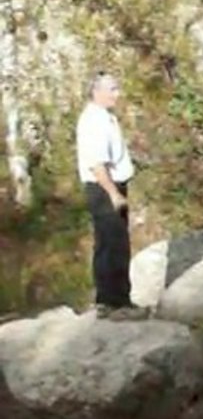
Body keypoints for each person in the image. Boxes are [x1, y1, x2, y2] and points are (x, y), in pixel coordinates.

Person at [75, 72, 146, 320]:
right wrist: (114, 194)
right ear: (97, 92)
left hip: (106, 186)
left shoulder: (104, 117)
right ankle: (118, 303)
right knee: (115, 245)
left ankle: (107, 301)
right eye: (113, 89)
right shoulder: (94, 121)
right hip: (105, 188)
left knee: (106, 244)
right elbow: (97, 165)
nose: (118, 94)